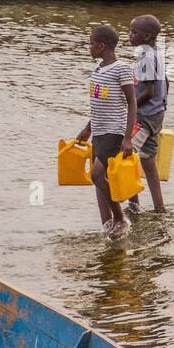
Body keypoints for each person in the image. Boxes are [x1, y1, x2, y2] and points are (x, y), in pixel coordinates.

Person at [74, 24, 137, 237]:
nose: (89, 47)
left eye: (91, 43)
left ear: (101, 46)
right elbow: (100, 104)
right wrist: (87, 128)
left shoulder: (122, 69)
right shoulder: (99, 69)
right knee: (100, 178)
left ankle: (120, 218)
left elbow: (131, 103)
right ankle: (109, 223)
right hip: (99, 131)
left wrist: (127, 137)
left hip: (114, 131)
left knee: (96, 175)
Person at [127, 14, 168, 215]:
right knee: (148, 161)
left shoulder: (148, 58)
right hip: (155, 114)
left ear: (147, 36)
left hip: (145, 116)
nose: (129, 36)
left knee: (124, 155)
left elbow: (148, 91)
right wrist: (163, 106)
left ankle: (133, 206)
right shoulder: (156, 53)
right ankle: (160, 208)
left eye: (134, 32)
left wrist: (130, 109)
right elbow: (166, 83)